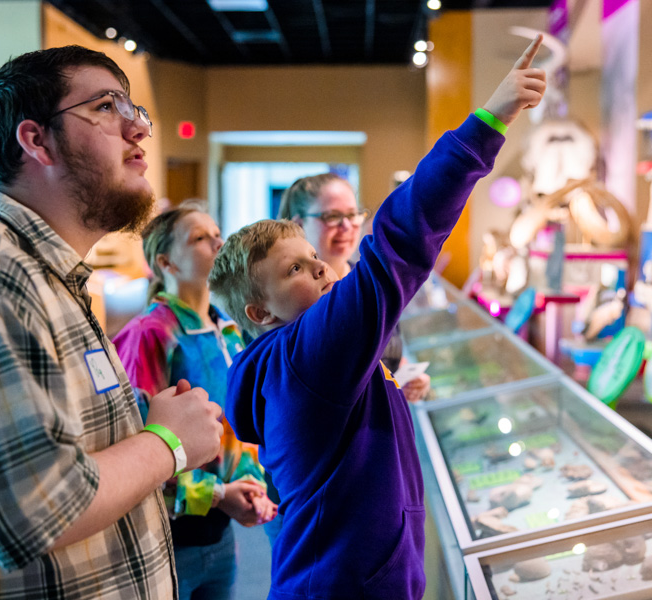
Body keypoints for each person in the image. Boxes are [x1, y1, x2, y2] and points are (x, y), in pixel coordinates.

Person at [0, 45, 224, 599]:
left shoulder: (41, 274)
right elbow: (37, 512)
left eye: (134, 109)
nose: (137, 130)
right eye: (106, 107)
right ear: (35, 140)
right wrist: (167, 441)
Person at [208, 37, 546, 600]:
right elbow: (401, 242)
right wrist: (488, 121)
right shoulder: (303, 353)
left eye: (314, 259)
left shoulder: (297, 357)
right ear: (259, 311)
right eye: (296, 267)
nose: (320, 269)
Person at [114, 204, 277, 599]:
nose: (218, 243)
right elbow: (139, 442)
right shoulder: (151, 333)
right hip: (170, 537)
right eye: (200, 238)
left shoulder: (231, 328)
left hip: (219, 536)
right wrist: (218, 495)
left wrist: (249, 481)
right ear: (165, 261)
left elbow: (240, 425)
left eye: (217, 233)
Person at [277, 174, 431, 402]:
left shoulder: (371, 281)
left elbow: (387, 355)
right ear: (299, 224)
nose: (347, 226)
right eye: (332, 216)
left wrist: (407, 378)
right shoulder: (290, 300)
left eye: (352, 214)